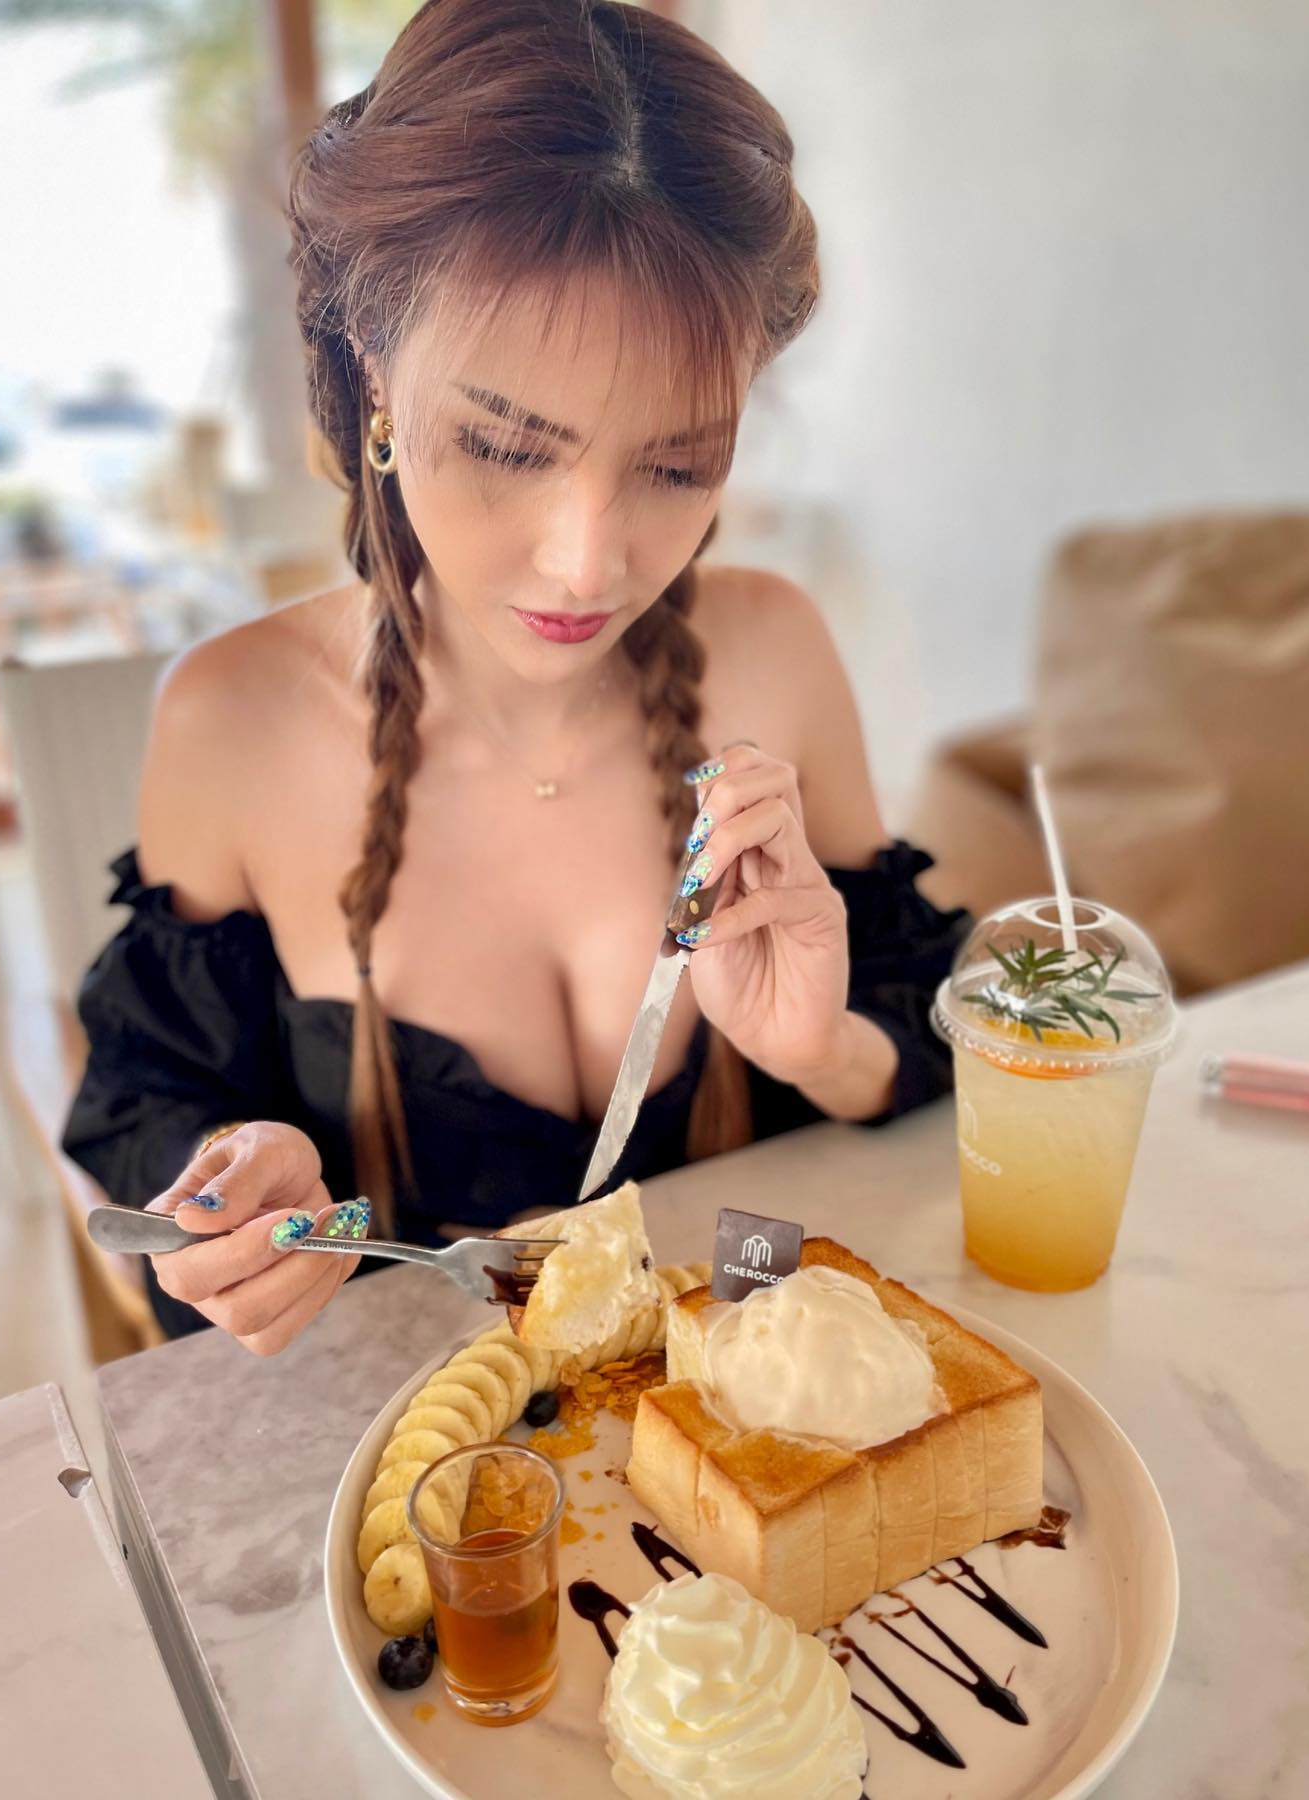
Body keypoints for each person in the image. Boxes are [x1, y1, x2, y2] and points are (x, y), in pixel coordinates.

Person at [62, 0, 966, 1352]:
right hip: (422, 1453)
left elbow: (921, 1040)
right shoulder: (231, 724)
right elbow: (154, 1105)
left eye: (678, 464)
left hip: (742, 1422)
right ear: (374, 372)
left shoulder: (775, 654)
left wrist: (818, 1049)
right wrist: (234, 1190)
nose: (586, 563)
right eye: (502, 445)